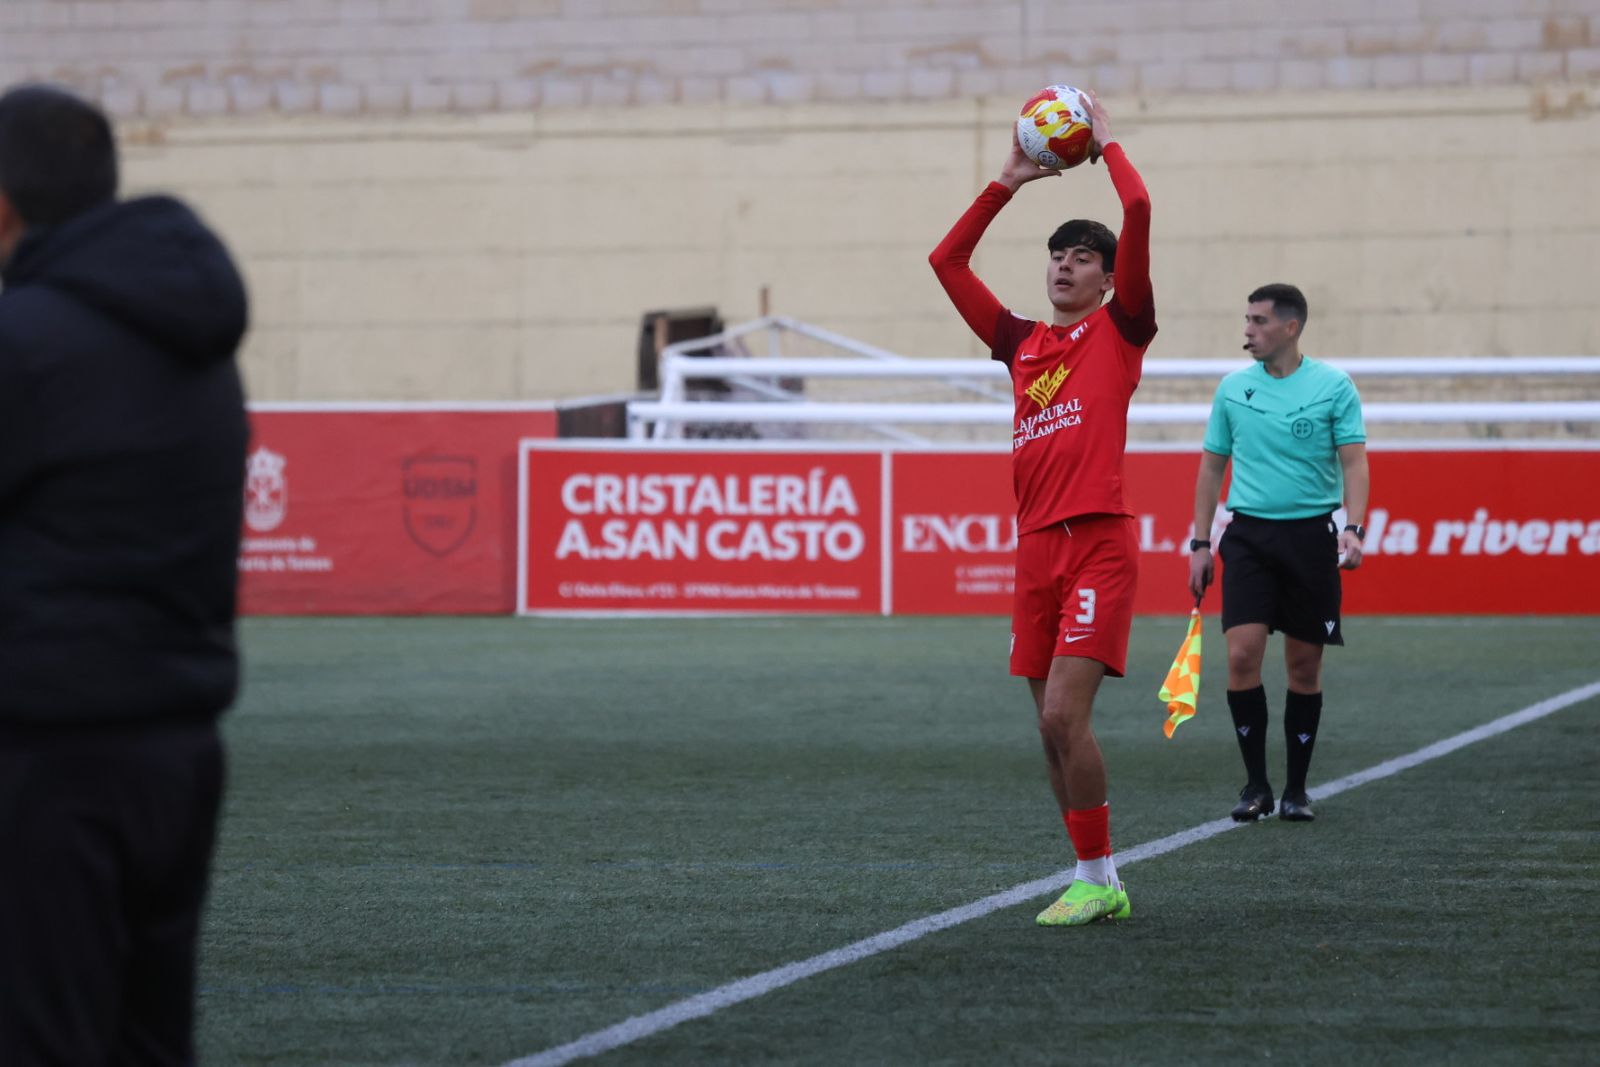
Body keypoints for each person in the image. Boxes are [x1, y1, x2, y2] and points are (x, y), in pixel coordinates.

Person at [0, 84, 249, 1064]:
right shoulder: (195, 342)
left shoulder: (27, 346)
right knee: (147, 1037)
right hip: (176, 745)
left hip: (48, 755)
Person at [929, 92, 1155, 927]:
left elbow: (1136, 206)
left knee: (1067, 712)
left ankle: (1100, 878)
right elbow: (946, 263)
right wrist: (1006, 184)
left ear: (1105, 276)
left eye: (1082, 257)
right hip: (1035, 550)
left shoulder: (1122, 330)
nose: (1065, 265)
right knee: (1048, 731)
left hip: (1097, 541)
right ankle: (1092, 873)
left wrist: (1105, 142)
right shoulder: (1020, 342)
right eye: (1057, 255)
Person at [1187, 283, 1368, 824]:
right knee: (1241, 656)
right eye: (1246, 319)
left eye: (1259, 321)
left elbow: (1355, 464)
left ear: (1290, 328)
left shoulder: (1333, 385)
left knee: (1303, 667)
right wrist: (1200, 543)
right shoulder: (1232, 389)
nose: (1248, 330)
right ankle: (1256, 786)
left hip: (1311, 538)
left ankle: (1296, 791)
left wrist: (1353, 529)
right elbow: (1211, 469)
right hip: (1248, 538)